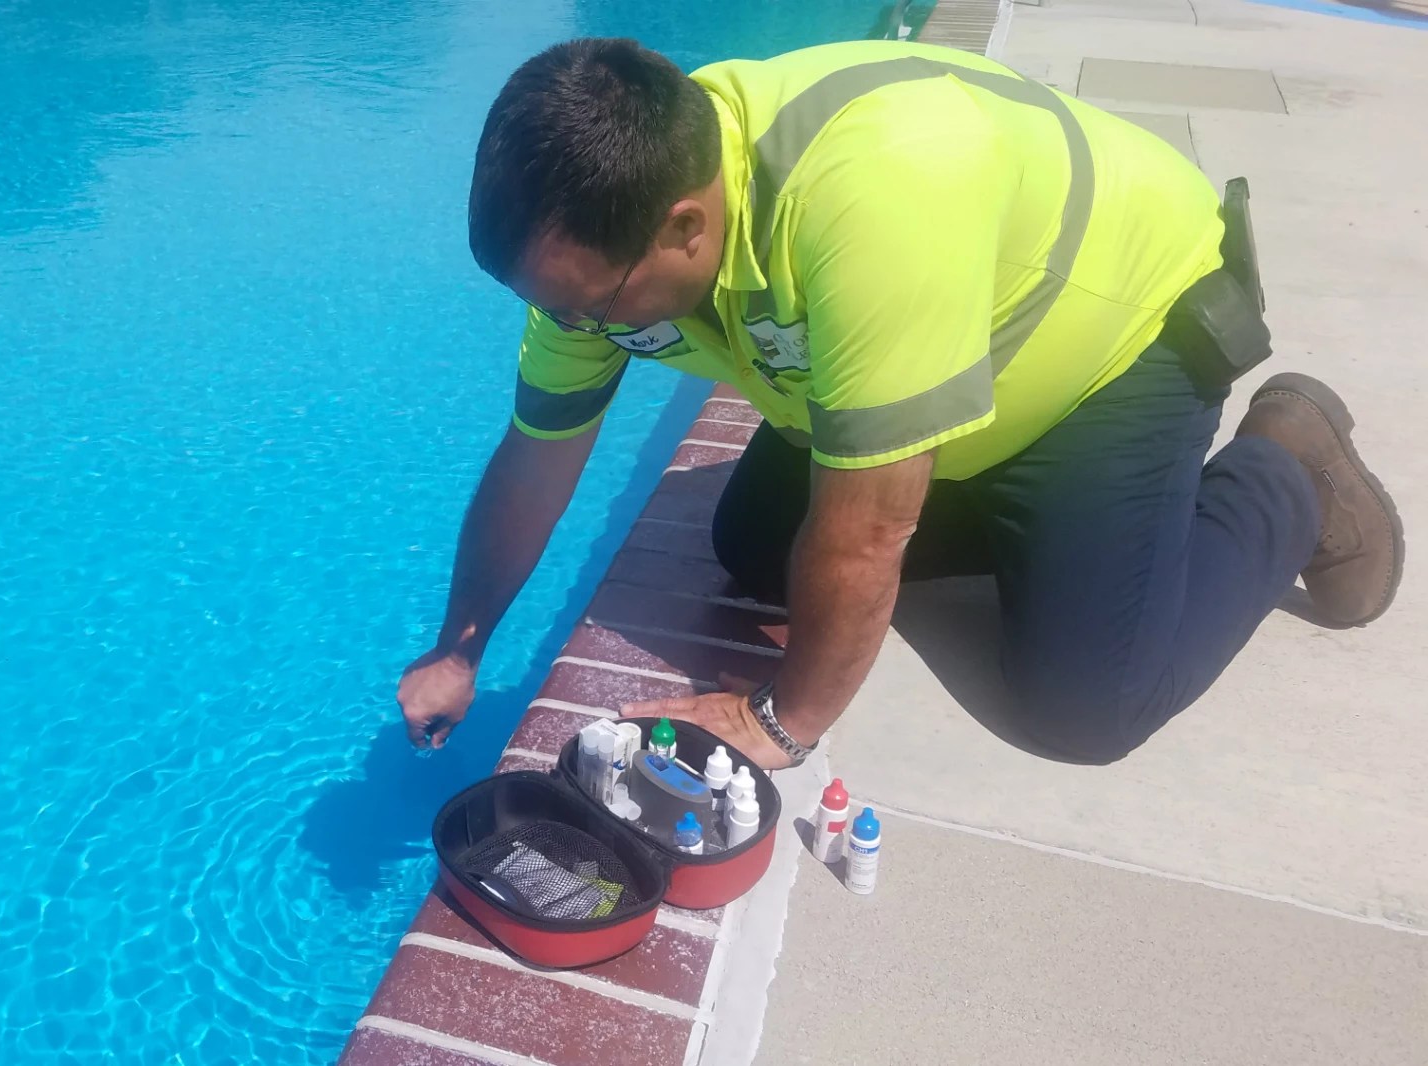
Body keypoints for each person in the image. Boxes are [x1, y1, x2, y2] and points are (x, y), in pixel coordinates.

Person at [395, 36, 1404, 770]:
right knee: (755, 545)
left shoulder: (872, 196)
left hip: (1114, 340)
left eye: (592, 307)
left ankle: (1288, 466)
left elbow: (871, 532)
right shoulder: (598, 239)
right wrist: (461, 643)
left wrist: (780, 721)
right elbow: (536, 456)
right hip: (957, 343)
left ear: (688, 226)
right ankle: (1051, 528)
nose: (576, 328)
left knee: (1084, 705)